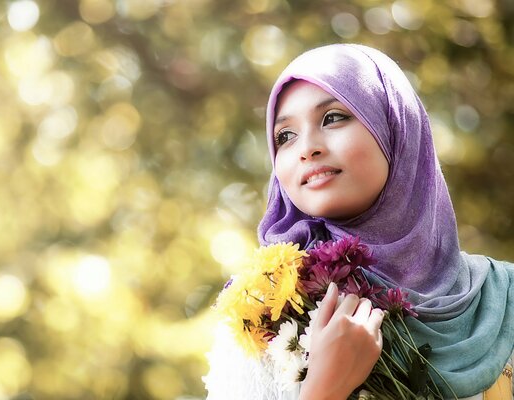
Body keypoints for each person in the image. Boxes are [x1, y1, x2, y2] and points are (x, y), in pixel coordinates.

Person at [203, 43, 514, 400]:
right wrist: (324, 388)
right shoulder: (266, 312)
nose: (306, 148)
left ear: (396, 128)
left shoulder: (504, 299)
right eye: (285, 136)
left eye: (333, 117)